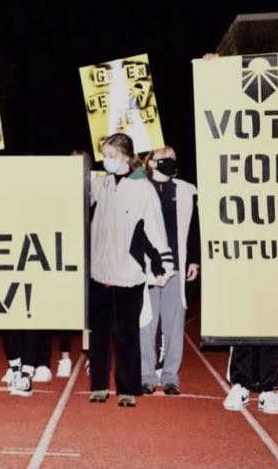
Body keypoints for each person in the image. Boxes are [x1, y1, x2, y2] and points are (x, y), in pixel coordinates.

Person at [208, 46, 278, 415]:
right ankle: (240, 384)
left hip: (276, 247)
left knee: (272, 320)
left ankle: (268, 387)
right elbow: (218, 122)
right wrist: (215, 78)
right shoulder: (235, 154)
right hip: (242, 247)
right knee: (243, 319)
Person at [88, 133, 174, 407]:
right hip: (99, 271)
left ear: (125, 156)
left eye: (111, 155)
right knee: (99, 333)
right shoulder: (100, 184)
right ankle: (99, 385)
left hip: (128, 272)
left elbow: (155, 229)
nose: (106, 160)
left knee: (127, 334)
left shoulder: (142, 188)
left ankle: (127, 389)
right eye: (104, 155)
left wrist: (163, 263)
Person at [140, 145, 200, 396]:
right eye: (164, 158)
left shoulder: (186, 191)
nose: (170, 161)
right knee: (147, 323)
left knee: (174, 325)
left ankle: (170, 377)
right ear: (151, 163)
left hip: (176, 266)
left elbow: (195, 227)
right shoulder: (139, 189)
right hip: (147, 268)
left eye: (173, 158)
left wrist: (194, 260)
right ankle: (146, 376)